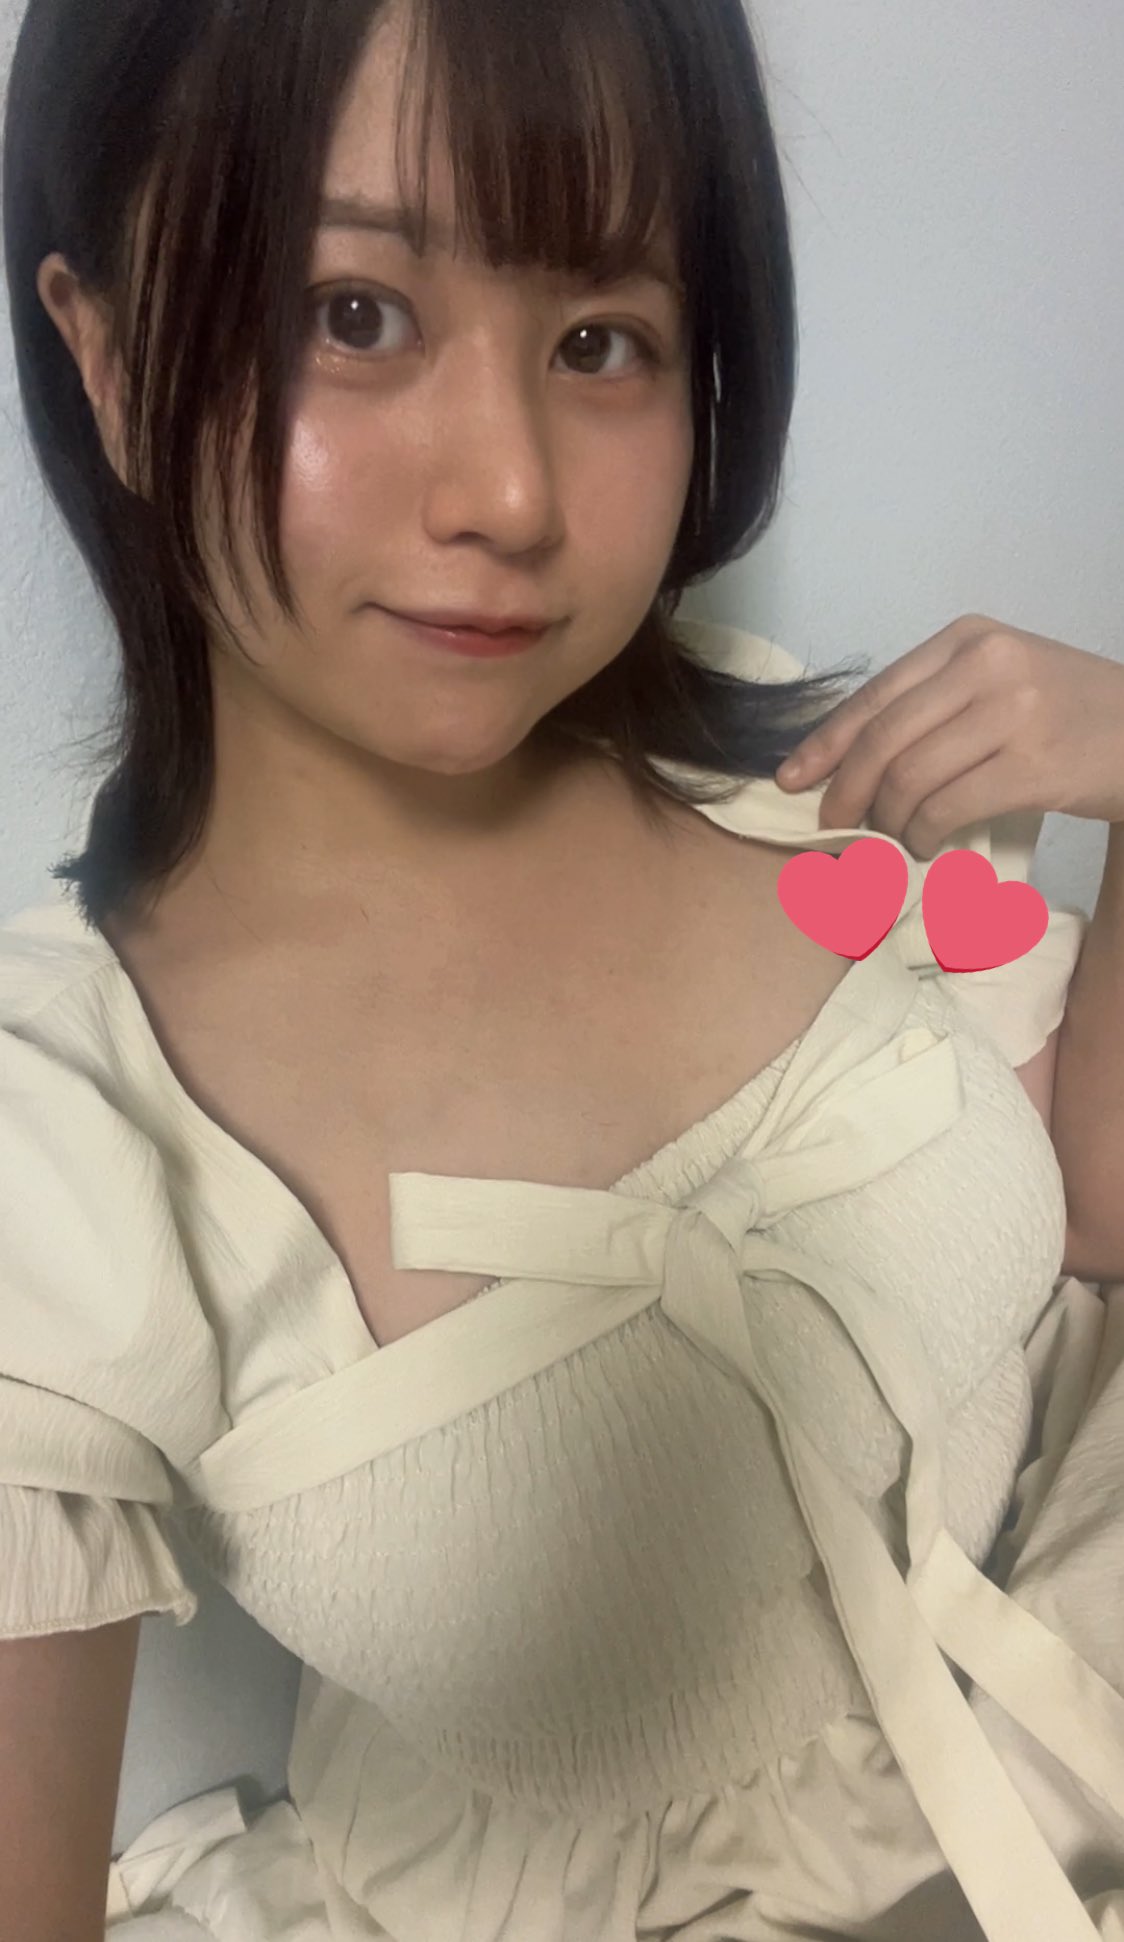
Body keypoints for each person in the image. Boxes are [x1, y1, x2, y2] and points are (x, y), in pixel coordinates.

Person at [1, 0, 1122, 1937]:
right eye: (353, 314)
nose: (510, 496)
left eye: (600, 339)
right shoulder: (62, 1139)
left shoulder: (790, 781)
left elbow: (1093, 1216)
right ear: (104, 355)